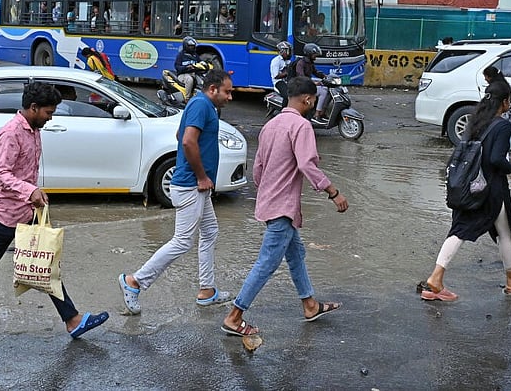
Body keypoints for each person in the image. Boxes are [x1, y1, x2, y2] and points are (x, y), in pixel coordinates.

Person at [0, 82, 110, 341]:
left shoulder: (33, 128)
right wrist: (30, 191)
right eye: (49, 113)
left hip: (25, 210)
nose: (51, 118)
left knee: (44, 261)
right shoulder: (11, 133)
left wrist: (34, 194)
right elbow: (0, 175)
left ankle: (72, 319)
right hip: (4, 214)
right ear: (34, 108)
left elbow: (22, 171)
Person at [221, 76, 349, 337]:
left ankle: (310, 305)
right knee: (267, 263)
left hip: (270, 202)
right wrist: (332, 192)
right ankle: (234, 316)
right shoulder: (301, 126)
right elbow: (306, 165)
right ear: (307, 99)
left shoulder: (271, 125)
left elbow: (257, 167)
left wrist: (267, 190)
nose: (313, 104)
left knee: (296, 254)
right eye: (313, 100)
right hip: (283, 206)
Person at [119, 70, 235, 314]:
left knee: (210, 232)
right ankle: (135, 281)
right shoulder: (202, 105)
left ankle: (207, 290)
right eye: (228, 91)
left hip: (195, 185)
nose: (230, 96)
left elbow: (179, 134)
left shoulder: (201, 106)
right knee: (182, 241)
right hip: (190, 185)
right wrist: (202, 176)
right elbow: (187, 141)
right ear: (213, 89)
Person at [417, 81, 511, 302]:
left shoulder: (475, 122)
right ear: (505, 101)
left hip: (467, 187)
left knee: (460, 230)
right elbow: (496, 159)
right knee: (505, 233)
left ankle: (436, 280)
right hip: (490, 190)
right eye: (510, 100)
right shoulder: (502, 125)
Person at [293, 43, 329, 123]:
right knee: (323, 91)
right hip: (303, 87)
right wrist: (314, 83)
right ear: (309, 54)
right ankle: (317, 115)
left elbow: (315, 72)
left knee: (328, 89)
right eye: (314, 55)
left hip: (308, 85)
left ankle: (322, 112)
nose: (315, 56)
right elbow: (302, 77)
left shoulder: (310, 62)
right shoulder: (301, 63)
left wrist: (325, 76)